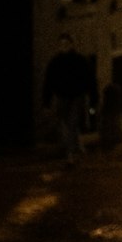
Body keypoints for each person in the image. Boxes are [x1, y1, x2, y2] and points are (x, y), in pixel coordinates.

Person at [42, 33, 98, 164]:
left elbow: (90, 80)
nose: (63, 47)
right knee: (65, 124)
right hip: (61, 97)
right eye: (61, 44)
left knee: (71, 124)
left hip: (77, 97)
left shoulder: (80, 61)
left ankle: (70, 154)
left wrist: (93, 99)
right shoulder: (55, 63)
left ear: (71, 44)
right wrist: (46, 102)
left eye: (66, 44)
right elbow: (48, 83)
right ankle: (76, 146)